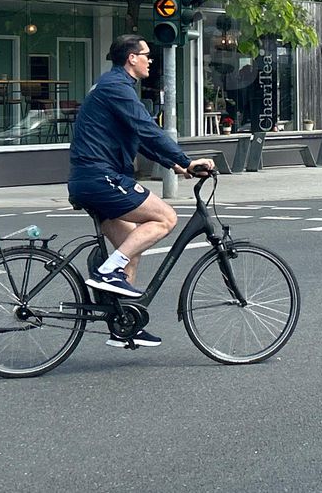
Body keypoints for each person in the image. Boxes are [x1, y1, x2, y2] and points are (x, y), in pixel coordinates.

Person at [68, 34, 216, 347]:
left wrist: (176, 165)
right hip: (100, 177)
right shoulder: (116, 87)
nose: (151, 60)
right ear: (131, 58)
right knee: (165, 218)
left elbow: (140, 138)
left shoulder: (113, 86)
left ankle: (124, 325)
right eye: (146, 54)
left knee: (131, 250)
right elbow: (148, 128)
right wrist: (185, 159)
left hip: (92, 178)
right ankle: (107, 272)